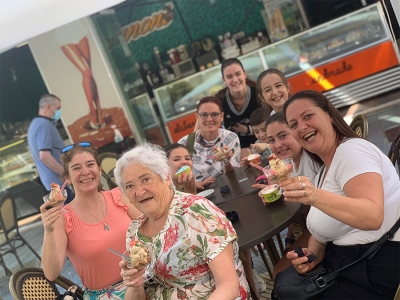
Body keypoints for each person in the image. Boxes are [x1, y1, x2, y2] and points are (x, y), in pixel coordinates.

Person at [279, 90, 400, 298]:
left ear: (330, 116)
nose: (301, 127)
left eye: (308, 116)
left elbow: (373, 216)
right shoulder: (322, 173)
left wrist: (314, 196)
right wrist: (311, 256)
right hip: (348, 262)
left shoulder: (351, 152)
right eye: (293, 125)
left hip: (375, 267)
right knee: (283, 284)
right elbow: (320, 235)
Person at [114, 143, 250, 299]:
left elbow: (229, 285)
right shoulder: (134, 231)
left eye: (145, 179)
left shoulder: (196, 212)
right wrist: (135, 285)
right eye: (129, 186)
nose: (139, 191)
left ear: (165, 178)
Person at [40, 142, 141, 299]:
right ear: (68, 178)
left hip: (143, 281)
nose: (85, 172)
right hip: (105, 295)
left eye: (90, 164)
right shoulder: (63, 216)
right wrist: (48, 229)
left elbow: (151, 228)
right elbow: (51, 274)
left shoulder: (118, 197)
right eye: (76, 168)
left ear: (99, 170)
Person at [251, 111, 322, 277]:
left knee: (278, 272)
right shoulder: (289, 162)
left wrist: (282, 192)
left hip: (321, 230)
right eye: (271, 140)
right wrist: (274, 188)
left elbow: (313, 206)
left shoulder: (312, 162)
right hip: (308, 224)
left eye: (283, 136)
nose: (277, 144)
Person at [178, 96, 241, 190]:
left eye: (214, 114)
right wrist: (193, 186)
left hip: (228, 188)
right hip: (200, 194)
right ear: (197, 117)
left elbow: (235, 174)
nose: (209, 119)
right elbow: (177, 180)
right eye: (204, 115)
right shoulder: (184, 144)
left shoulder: (230, 138)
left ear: (221, 116)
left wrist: (226, 161)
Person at [27, 94, 73, 203]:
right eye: (57, 109)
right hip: (60, 185)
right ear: (48, 107)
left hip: (54, 185)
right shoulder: (44, 125)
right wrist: (66, 175)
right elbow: (44, 156)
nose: (58, 112)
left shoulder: (35, 124)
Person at [215, 58, 265, 148]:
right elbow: (203, 124)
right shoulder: (219, 100)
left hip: (264, 143)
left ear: (244, 74)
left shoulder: (259, 93)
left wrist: (247, 130)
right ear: (224, 80)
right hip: (235, 149)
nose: (235, 80)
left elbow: (272, 121)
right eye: (229, 77)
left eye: (238, 74)